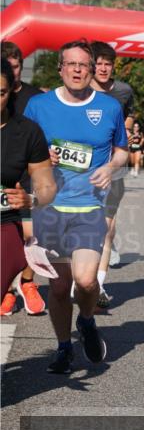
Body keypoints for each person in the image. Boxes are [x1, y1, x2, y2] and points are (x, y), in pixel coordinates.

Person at [23, 40, 128, 374]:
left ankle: (85, 320)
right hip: (49, 210)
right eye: (71, 64)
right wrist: (40, 158)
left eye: (84, 64)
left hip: (89, 208)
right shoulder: (38, 106)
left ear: (92, 69)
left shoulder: (109, 107)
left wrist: (111, 168)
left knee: (85, 281)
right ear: (60, 68)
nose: (78, 70)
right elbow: (19, 149)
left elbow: (122, 150)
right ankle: (64, 347)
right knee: (57, 287)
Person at [1, 59, 56, 304]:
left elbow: (47, 187)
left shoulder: (28, 132)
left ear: (11, 91)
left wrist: (30, 199)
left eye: (0, 93)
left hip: (6, 225)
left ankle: (23, 283)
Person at [90, 41, 136, 309]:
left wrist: (125, 131)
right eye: (99, 63)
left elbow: (128, 116)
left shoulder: (123, 91)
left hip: (113, 167)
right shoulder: (80, 89)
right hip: (82, 170)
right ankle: (77, 279)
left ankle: (98, 285)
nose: (104, 68)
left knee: (106, 229)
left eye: (108, 64)